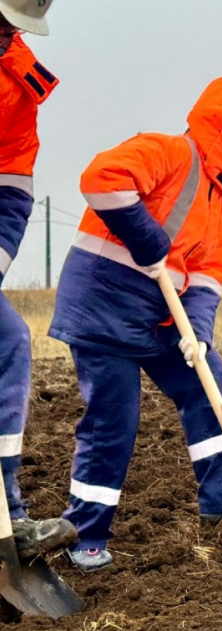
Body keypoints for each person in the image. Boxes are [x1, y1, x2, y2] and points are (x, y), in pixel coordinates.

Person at [47, 76, 222, 572]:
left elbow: (208, 273)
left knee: (207, 381)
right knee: (114, 420)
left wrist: (197, 331)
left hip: (159, 315)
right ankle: (87, 535)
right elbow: (101, 178)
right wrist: (148, 241)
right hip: (103, 306)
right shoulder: (170, 152)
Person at [0, 0, 78, 559]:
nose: (5, 37)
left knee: (8, 342)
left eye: (13, 28)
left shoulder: (16, 87)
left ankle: (6, 514)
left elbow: (12, 192)